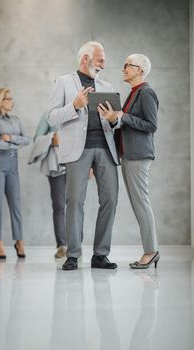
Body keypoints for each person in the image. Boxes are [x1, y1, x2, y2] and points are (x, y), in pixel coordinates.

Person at [48, 41, 119, 270]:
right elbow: (51, 118)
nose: (103, 63)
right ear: (84, 59)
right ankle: (73, 255)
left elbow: (113, 122)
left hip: (106, 150)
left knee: (110, 199)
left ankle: (100, 254)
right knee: (75, 201)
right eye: (99, 59)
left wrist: (113, 119)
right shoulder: (64, 82)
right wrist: (75, 105)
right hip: (78, 151)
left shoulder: (106, 85)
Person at [98, 54, 160, 269]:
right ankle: (150, 250)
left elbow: (151, 125)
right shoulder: (134, 93)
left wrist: (123, 116)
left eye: (128, 65)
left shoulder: (146, 92)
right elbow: (128, 122)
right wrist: (116, 119)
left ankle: (151, 251)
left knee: (141, 203)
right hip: (128, 155)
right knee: (138, 203)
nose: (123, 68)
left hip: (138, 156)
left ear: (140, 70)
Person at [0, 88, 30, 259]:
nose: (12, 102)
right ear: (1, 101)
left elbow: (27, 139)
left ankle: (19, 240)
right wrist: (15, 142)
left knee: (16, 205)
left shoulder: (15, 119)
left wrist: (11, 139)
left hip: (13, 165)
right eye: (9, 99)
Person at [32, 111, 67, 259]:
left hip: (77, 163)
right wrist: (52, 138)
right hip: (56, 166)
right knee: (59, 206)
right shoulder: (47, 115)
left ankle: (76, 244)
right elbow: (37, 138)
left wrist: (91, 166)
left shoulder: (79, 113)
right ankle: (62, 245)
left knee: (77, 205)